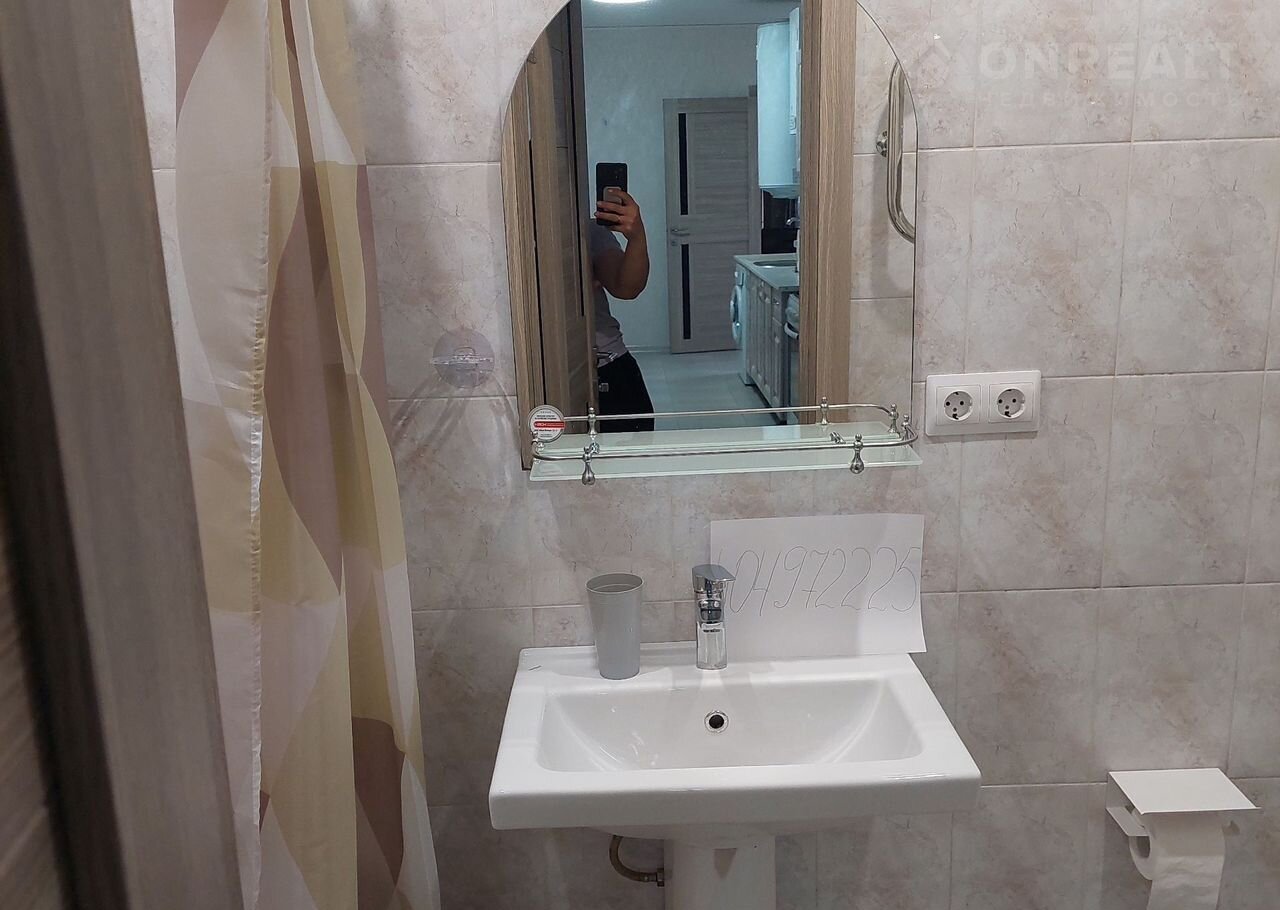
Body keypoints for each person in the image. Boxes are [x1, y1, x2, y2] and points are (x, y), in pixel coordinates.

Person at [590, 188, 655, 433]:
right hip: (557, 373)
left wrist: (637, 237)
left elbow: (626, 287)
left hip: (609, 367)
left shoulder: (589, 233)